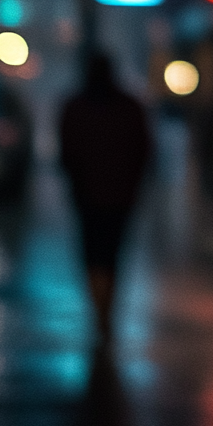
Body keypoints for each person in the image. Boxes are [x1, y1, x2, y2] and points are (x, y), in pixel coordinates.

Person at [59, 52, 151, 340]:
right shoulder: (129, 107)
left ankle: (100, 312)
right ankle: (105, 312)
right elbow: (144, 152)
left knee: (92, 255)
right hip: (119, 198)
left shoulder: (75, 107)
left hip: (89, 197)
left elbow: (67, 153)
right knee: (112, 255)